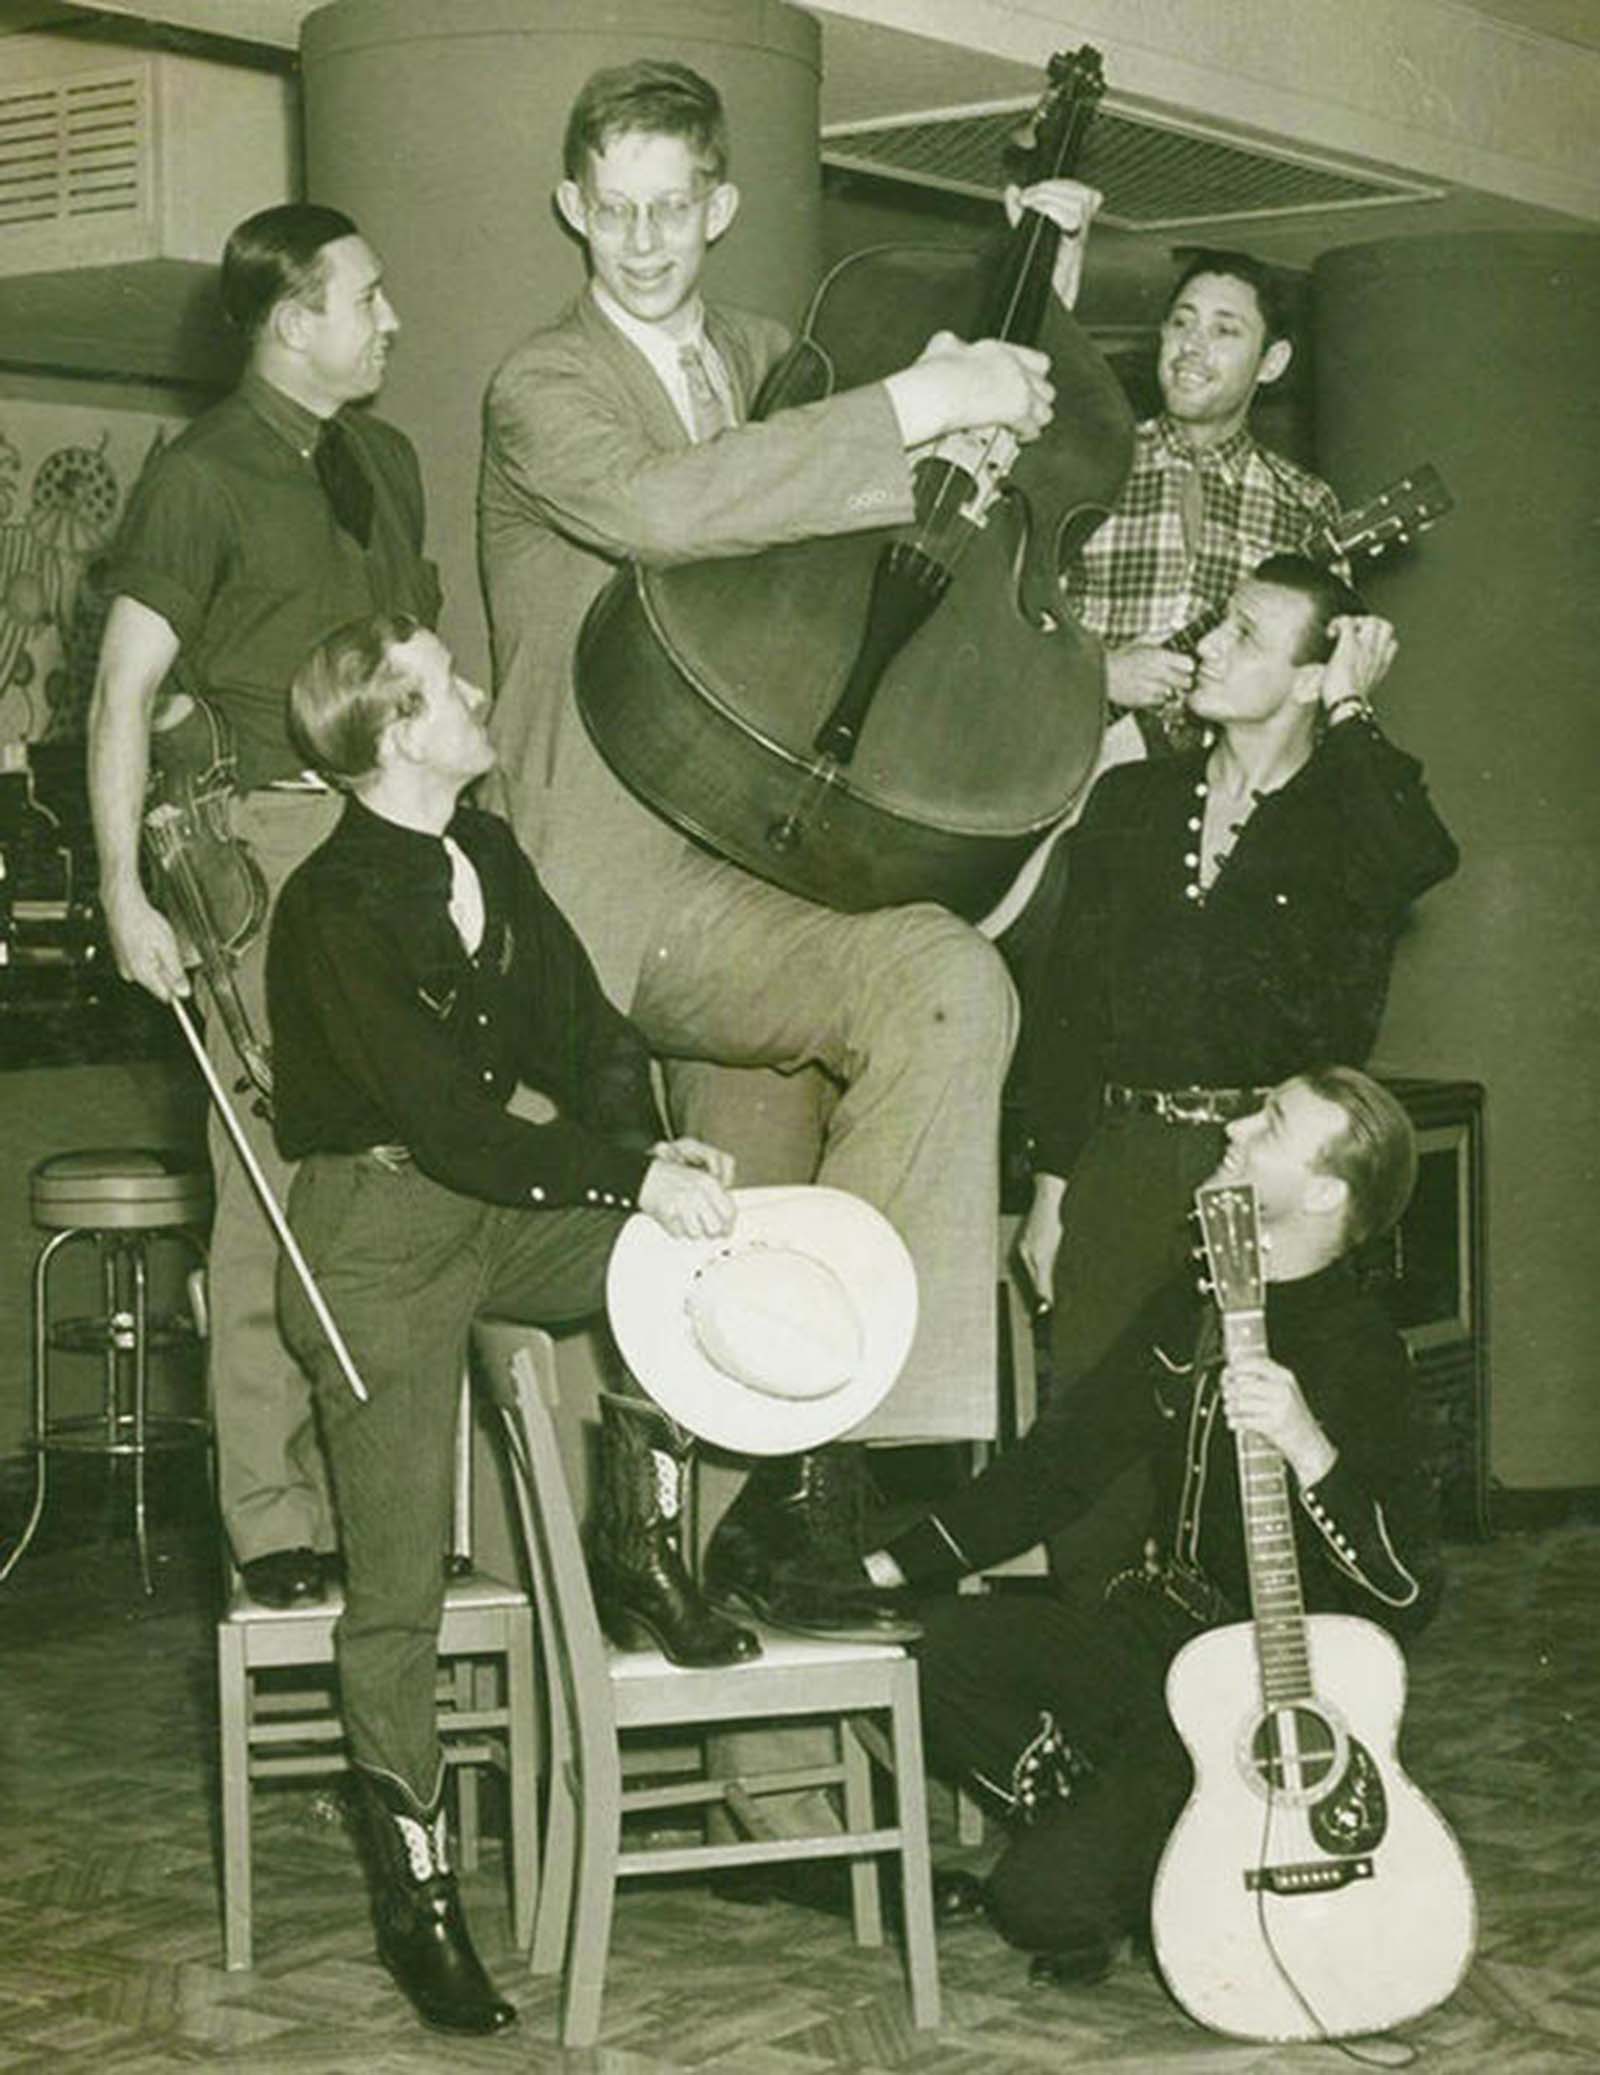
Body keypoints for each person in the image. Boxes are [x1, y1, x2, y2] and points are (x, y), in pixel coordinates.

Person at [477, 56, 1101, 1631]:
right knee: (940, 980)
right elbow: (674, 509)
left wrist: (1029, 290)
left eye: (671, 208)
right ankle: (836, 1465)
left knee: (743, 1350)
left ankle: (795, 1567)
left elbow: (940, 426)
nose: (640, 239)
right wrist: (913, 406)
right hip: (626, 895)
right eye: (610, 210)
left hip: (783, 872)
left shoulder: (776, 357)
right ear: (571, 207)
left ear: (720, 204)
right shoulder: (542, 390)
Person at [264, 610, 756, 2035]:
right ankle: (418, 1899)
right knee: (399, 1591)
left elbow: (584, 1033)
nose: (478, 687)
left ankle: (640, 1544)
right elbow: (445, 1123)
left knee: (674, 1263)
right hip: (376, 1241)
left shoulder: (486, 853)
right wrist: (625, 1174)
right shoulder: (337, 905)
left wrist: (659, 1159)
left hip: (487, 1209)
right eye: (448, 681)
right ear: (399, 728)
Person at [868, 1067, 1442, 1984]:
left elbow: (1408, 1590)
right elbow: (1060, 1465)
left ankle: (1159, 1848)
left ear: (1326, 1191)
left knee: (1036, 1905)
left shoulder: (1359, 1349)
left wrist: (1307, 1443)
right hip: (1157, 1636)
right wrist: (890, 1567)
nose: (1238, 1123)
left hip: (1265, 1698)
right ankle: (1143, 1833)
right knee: (927, 1646)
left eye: (1272, 1124)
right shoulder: (1198, 1300)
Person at [87, 203, 442, 1609]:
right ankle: (272, 1514)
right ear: (292, 322)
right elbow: (119, 691)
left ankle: (387, 1507)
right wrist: (123, 889)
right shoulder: (204, 474)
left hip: (396, 851)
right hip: (272, 858)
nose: (391, 317)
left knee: (404, 1195)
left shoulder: (384, 461)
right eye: (367, 296)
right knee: (274, 1191)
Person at [1015, 553, 1457, 1407]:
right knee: (1088, 1470)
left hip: (1273, 1174)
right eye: (1223, 621)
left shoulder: (1352, 814)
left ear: (1308, 683)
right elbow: (1068, 1012)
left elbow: (1418, 858)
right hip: (1125, 1160)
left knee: (1243, 1458)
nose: (1209, 646)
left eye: (1245, 635)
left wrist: (1352, 705)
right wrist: (1052, 1193)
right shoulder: (1130, 801)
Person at [1064, 247, 1344, 755]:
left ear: (1272, 362)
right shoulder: (1087, 462)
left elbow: (1310, 688)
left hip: (1212, 794)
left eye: (1225, 330)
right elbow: (998, 620)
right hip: (1063, 760)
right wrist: (1096, 673)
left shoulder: (1306, 505)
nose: (1192, 346)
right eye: (1181, 323)